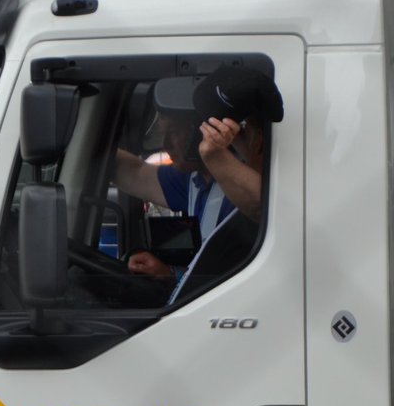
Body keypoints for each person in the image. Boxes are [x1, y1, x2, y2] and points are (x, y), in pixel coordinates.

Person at [115, 65, 282, 281]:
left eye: (174, 133)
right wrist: (169, 274)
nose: (166, 145)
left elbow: (264, 209)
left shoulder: (242, 183)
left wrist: (213, 155)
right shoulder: (195, 180)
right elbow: (134, 174)